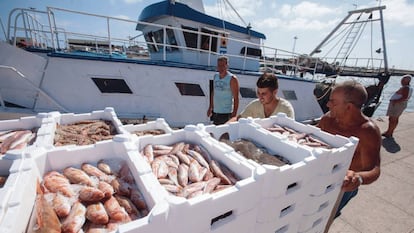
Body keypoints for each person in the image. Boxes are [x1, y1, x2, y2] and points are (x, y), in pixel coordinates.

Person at [317, 80, 381, 232]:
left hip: (343, 187)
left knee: (324, 219)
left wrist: (357, 178)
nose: (328, 105)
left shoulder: (368, 132)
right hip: (320, 178)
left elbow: (374, 170)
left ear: (349, 107)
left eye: (332, 102)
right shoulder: (327, 119)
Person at [228, 72, 294, 122]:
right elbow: (238, 119)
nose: (260, 97)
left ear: (275, 92)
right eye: (258, 93)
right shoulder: (255, 104)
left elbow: (290, 132)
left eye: (264, 94)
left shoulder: (286, 109)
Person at [207, 56, 240, 125]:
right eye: (219, 65)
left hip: (226, 113)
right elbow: (214, 92)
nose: (220, 68)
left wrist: (234, 115)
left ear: (227, 66)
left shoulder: (232, 79)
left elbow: (236, 98)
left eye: (223, 65)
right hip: (215, 112)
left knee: (224, 135)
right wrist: (210, 107)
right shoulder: (215, 76)